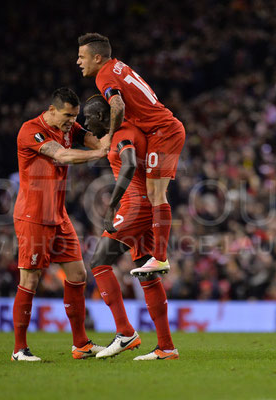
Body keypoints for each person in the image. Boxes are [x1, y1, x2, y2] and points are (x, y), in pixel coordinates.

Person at [11, 87, 108, 361]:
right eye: (67, 116)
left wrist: (114, 136)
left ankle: (81, 344)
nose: (71, 122)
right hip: (33, 215)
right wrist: (99, 155)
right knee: (30, 279)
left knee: (78, 275)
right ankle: (19, 350)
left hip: (58, 214)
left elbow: (93, 140)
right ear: (52, 110)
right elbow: (62, 155)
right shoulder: (31, 131)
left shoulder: (68, 127)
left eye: (75, 116)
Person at [77, 33, 186, 276]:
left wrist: (110, 137)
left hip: (163, 131)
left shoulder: (104, 75)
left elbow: (117, 106)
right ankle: (156, 259)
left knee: (156, 194)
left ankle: (160, 257)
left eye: (81, 56)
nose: (78, 61)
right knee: (155, 194)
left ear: (97, 57)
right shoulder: (118, 66)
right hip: (163, 129)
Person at [83, 95, 178, 360]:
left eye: (88, 117)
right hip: (145, 206)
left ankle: (125, 332)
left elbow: (130, 164)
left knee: (99, 261)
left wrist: (112, 205)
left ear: (102, 116)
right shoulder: (127, 131)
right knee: (147, 274)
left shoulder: (122, 133)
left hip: (134, 206)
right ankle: (166, 347)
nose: (86, 123)